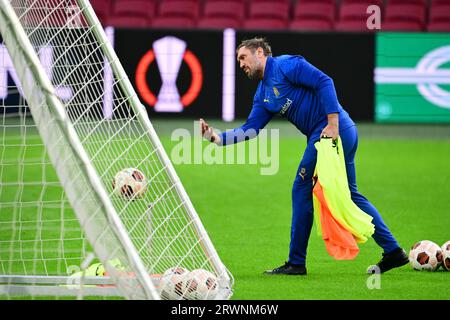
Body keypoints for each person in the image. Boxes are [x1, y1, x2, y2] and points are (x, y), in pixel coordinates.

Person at [200, 37, 409, 275]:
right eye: (238, 61)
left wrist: (332, 123)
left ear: (260, 52)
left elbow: (324, 81)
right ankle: (393, 252)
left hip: (331, 132)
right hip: (333, 134)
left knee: (301, 187)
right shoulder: (263, 94)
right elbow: (250, 130)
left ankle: (296, 263)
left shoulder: (287, 65)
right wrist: (215, 138)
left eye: (243, 58)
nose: (240, 64)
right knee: (350, 195)